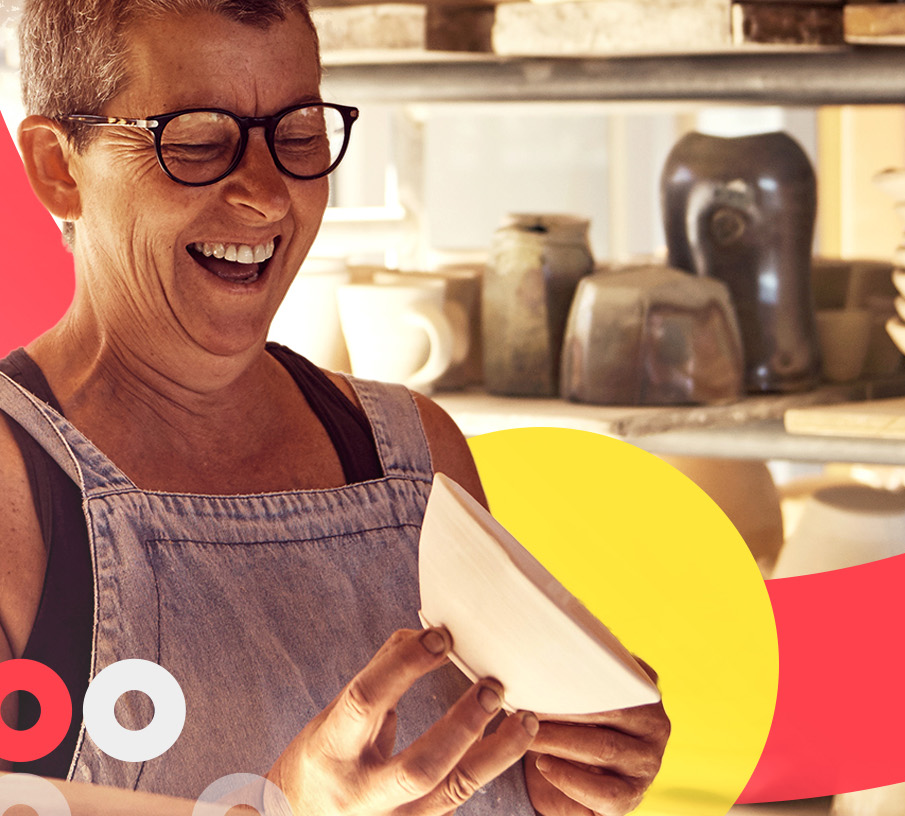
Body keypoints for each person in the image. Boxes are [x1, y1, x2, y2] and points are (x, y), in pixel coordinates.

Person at [0, 0, 668, 812]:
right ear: (57, 168)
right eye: (199, 141)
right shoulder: (14, 494)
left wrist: (551, 783)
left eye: (299, 133)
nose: (267, 197)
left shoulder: (414, 453)